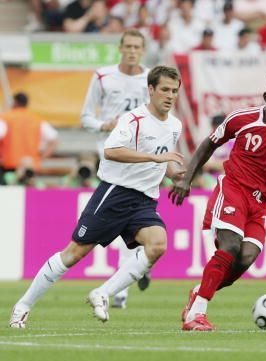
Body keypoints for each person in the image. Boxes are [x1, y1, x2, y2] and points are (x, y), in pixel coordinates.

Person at [9, 66, 185, 329]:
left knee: (157, 245)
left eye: (174, 91)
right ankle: (22, 306)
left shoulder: (174, 125)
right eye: (164, 90)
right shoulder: (133, 119)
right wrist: (155, 157)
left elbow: (165, 160)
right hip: (116, 193)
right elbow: (111, 150)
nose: (170, 96)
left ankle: (102, 292)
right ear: (150, 90)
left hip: (145, 200)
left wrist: (178, 178)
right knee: (73, 254)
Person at [169, 76, 266, 331]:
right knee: (230, 246)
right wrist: (187, 178)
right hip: (234, 189)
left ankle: (199, 292)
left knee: (244, 259)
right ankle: (196, 314)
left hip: (262, 203)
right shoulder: (241, 119)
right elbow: (209, 145)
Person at [80, 29, 151, 309]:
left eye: (137, 47)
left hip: (141, 158)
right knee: (126, 223)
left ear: (143, 50)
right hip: (110, 157)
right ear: (120, 48)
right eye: (128, 46)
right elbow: (85, 116)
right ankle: (138, 265)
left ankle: (121, 292)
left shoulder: (151, 80)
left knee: (126, 219)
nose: (132, 51)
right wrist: (102, 125)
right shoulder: (103, 76)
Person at [0, 92, 58, 176]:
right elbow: (54, 140)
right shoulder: (36, 120)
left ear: (15, 102)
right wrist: (41, 158)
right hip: (31, 167)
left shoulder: (6, 118)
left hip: (9, 166)